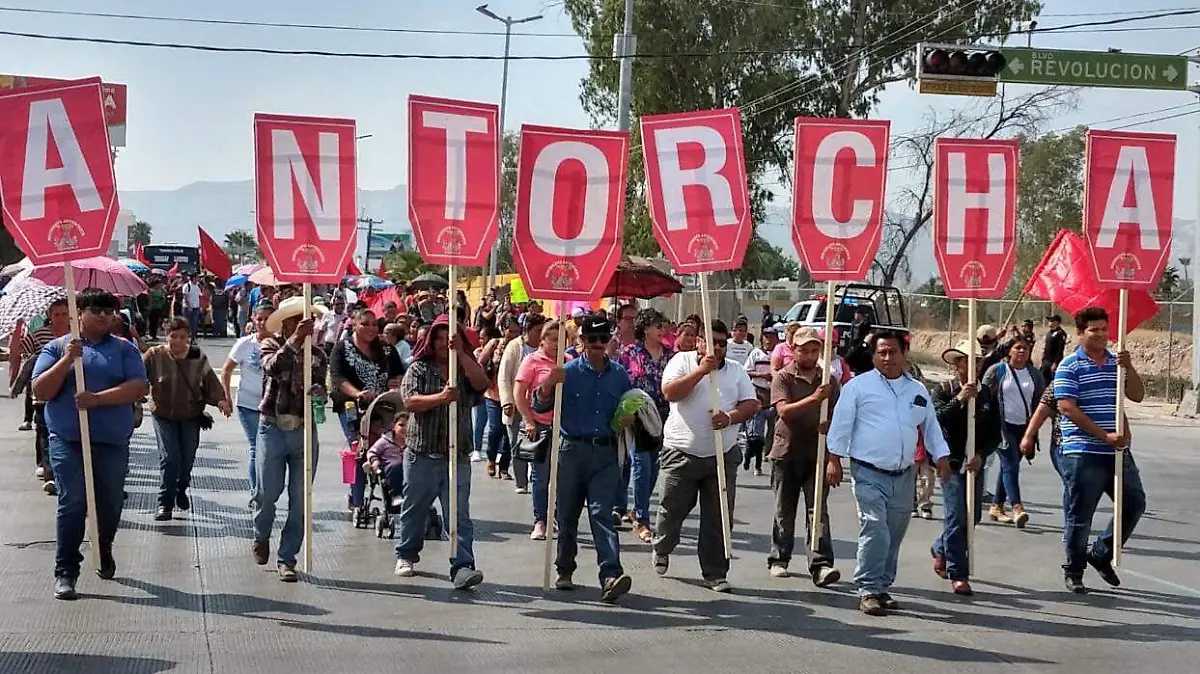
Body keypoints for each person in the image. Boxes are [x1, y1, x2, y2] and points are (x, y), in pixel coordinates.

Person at [32, 288, 149, 600]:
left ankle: (103, 545)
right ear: (79, 313)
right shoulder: (58, 348)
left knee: (110, 504)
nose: (103, 316)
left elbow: (138, 387)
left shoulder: (124, 349)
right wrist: (68, 360)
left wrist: (96, 400)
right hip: (68, 441)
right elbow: (41, 389)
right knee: (73, 502)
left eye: (109, 311)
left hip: (111, 441)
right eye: (96, 309)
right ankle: (66, 571)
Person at [825, 330, 952, 616]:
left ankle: (882, 587)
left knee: (894, 533)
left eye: (892, 352)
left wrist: (941, 456)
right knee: (875, 528)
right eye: (881, 352)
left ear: (903, 354)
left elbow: (930, 426)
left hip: (904, 475)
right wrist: (833, 460)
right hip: (868, 472)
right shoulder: (858, 387)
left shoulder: (917, 390)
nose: (887, 357)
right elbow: (841, 425)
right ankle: (868, 589)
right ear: (873, 356)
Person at [654, 320, 759, 592]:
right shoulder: (681, 361)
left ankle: (715, 571)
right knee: (672, 509)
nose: (718, 347)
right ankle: (663, 546)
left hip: (721, 454)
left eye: (722, 343)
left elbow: (751, 403)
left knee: (718, 516)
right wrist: (701, 371)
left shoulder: (736, 371)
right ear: (699, 341)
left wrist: (729, 418)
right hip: (681, 453)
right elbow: (669, 393)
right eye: (711, 341)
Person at [535, 316, 633, 601]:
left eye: (603, 340)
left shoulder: (619, 375)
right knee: (566, 515)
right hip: (571, 450)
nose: (598, 346)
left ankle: (611, 574)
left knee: (602, 513)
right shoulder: (566, 372)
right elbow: (539, 405)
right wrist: (547, 384)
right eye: (592, 340)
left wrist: (628, 418)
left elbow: (628, 408)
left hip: (604, 451)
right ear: (582, 342)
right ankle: (564, 568)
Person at [1054, 307, 1146, 593]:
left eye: (1105, 329)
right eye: (1094, 329)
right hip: (1083, 450)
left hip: (1116, 450)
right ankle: (1074, 570)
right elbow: (1067, 406)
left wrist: (1128, 366)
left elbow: (1137, 395)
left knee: (1134, 502)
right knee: (1080, 514)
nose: (1101, 335)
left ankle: (1101, 553)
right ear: (1081, 333)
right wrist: (1103, 435)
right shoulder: (1070, 365)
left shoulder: (1116, 363)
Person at [394, 315, 490, 589]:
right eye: (436, 337)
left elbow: (482, 383)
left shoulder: (462, 367)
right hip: (422, 452)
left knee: (459, 514)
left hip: (456, 454)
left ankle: (462, 566)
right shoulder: (418, 369)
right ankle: (406, 554)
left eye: (446, 338)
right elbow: (409, 401)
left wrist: (460, 353)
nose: (440, 343)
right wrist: (440, 398)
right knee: (415, 508)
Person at [251, 296, 330, 582]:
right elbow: (272, 366)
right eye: (295, 321)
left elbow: (321, 385)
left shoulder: (318, 355)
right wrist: (295, 340)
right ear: (285, 325)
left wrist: (320, 393)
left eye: (305, 321)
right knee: (266, 494)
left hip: (303, 429)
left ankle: (288, 558)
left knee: (300, 499)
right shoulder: (270, 344)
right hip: (272, 427)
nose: (302, 326)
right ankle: (261, 533)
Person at [767, 326, 842, 585]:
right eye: (804, 351)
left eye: (814, 350)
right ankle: (779, 557)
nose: (810, 355)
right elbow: (784, 411)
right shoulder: (783, 378)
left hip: (817, 453)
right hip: (786, 452)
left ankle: (820, 564)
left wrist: (834, 457)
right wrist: (814, 399)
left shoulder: (829, 380)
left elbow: (838, 417)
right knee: (784, 510)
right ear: (794, 351)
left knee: (818, 511)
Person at [930, 340, 1001, 596]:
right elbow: (936, 420)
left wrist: (982, 454)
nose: (974, 367)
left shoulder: (988, 394)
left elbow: (995, 432)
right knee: (956, 516)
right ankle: (958, 573)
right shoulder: (944, 390)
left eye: (978, 361)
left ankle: (941, 547)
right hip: (950, 462)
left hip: (974, 464)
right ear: (957, 364)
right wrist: (960, 400)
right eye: (967, 361)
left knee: (972, 517)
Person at [144, 318, 231, 521]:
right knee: (169, 457)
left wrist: (221, 401)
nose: (178, 341)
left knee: (187, 457)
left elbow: (210, 381)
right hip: (163, 414)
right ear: (166, 336)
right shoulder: (154, 355)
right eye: (173, 336)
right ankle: (165, 503)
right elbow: (139, 377)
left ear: (188, 338)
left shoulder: (197, 356)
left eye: (183, 337)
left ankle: (181, 487)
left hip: (191, 415)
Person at [331, 309, 404, 511]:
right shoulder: (341, 349)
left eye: (374, 324)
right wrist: (357, 394)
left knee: (390, 446)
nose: (371, 328)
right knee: (359, 449)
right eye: (365, 324)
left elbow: (399, 373)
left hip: (384, 406)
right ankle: (356, 499)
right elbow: (337, 378)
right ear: (354, 324)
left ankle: (394, 491)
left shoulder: (387, 349)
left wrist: (395, 382)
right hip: (352, 407)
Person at [616, 308, 674, 543]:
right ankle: (642, 519)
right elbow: (621, 383)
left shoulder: (671, 355)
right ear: (645, 329)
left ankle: (637, 510)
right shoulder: (630, 353)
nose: (662, 330)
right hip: (639, 417)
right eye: (657, 326)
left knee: (655, 468)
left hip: (665, 417)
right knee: (641, 466)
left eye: (663, 326)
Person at [981, 334, 1045, 528]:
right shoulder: (998, 371)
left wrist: (1033, 430)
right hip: (1001, 426)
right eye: (1017, 347)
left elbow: (1041, 401)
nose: (1022, 351)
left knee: (1009, 467)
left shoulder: (1034, 374)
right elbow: (984, 394)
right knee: (1010, 465)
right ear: (1009, 350)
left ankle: (997, 506)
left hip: (1023, 427)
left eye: (1025, 348)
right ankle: (1017, 507)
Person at [10, 300, 71, 494]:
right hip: (43, 394)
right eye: (56, 314)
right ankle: (50, 472)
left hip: (67, 395)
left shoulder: (76, 336)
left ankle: (59, 470)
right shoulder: (39, 334)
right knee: (44, 431)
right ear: (49, 316)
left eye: (64, 314)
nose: (60, 318)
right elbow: (20, 349)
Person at [513, 319, 564, 540]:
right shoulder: (532, 361)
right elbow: (519, 393)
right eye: (553, 340)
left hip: (563, 427)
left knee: (562, 477)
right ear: (543, 341)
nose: (557, 345)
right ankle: (540, 520)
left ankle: (558, 517)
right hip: (540, 425)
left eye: (562, 340)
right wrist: (528, 420)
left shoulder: (568, 361)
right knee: (541, 477)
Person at [222, 301, 273, 506]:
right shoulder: (245, 344)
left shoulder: (280, 344)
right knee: (256, 447)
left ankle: (267, 487)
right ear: (253, 319)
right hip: (248, 405)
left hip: (272, 406)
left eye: (267, 319)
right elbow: (226, 370)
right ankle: (256, 492)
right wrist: (226, 396)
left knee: (269, 450)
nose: (262, 323)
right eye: (259, 318)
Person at [499, 313, 545, 492]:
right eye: (538, 330)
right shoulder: (515, 346)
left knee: (539, 443)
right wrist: (507, 401)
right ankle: (521, 482)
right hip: (516, 404)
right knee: (517, 444)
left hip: (539, 406)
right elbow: (503, 375)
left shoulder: (545, 348)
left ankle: (537, 478)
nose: (541, 334)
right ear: (528, 330)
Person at [1041, 314, 1068, 384]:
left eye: (1052, 321)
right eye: (1049, 321)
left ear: (1057, 322)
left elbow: (1060, 350)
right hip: (1046, 360)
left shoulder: (1060, 333)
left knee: (1053, 381)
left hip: (1053, 361)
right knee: (1043, 380)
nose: (1050, 323)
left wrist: (1055, 363)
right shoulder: (1049, 332)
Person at [180, 274, 203, 339]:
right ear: (193, 278)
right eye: (197, 277)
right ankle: (186, 337)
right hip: (188, 308)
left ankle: (193, 337)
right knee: (187, 323)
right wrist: (189, 306)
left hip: (196, 307)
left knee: (194, 323)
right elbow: (185, 296)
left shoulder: (197, 286)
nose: (198, 279)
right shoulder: (187, 286)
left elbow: (199, 296)